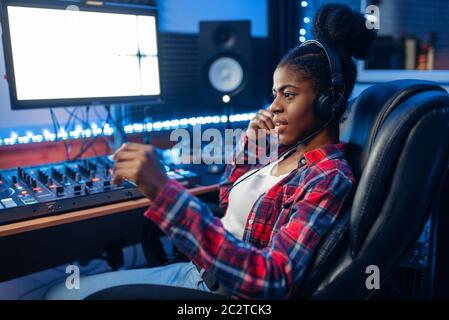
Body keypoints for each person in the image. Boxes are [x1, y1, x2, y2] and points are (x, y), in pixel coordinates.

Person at [46, 3, 376, 300]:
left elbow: (273, 280)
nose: (273, 106)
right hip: (198, 271)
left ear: (328, 102)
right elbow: (227, 202)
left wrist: (165, 192)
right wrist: (251, 146)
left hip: (222, 293)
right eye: (274, 94)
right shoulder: (284, 150)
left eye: (288, 95)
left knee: (64, 297)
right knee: (61, 290)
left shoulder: (328, 178)